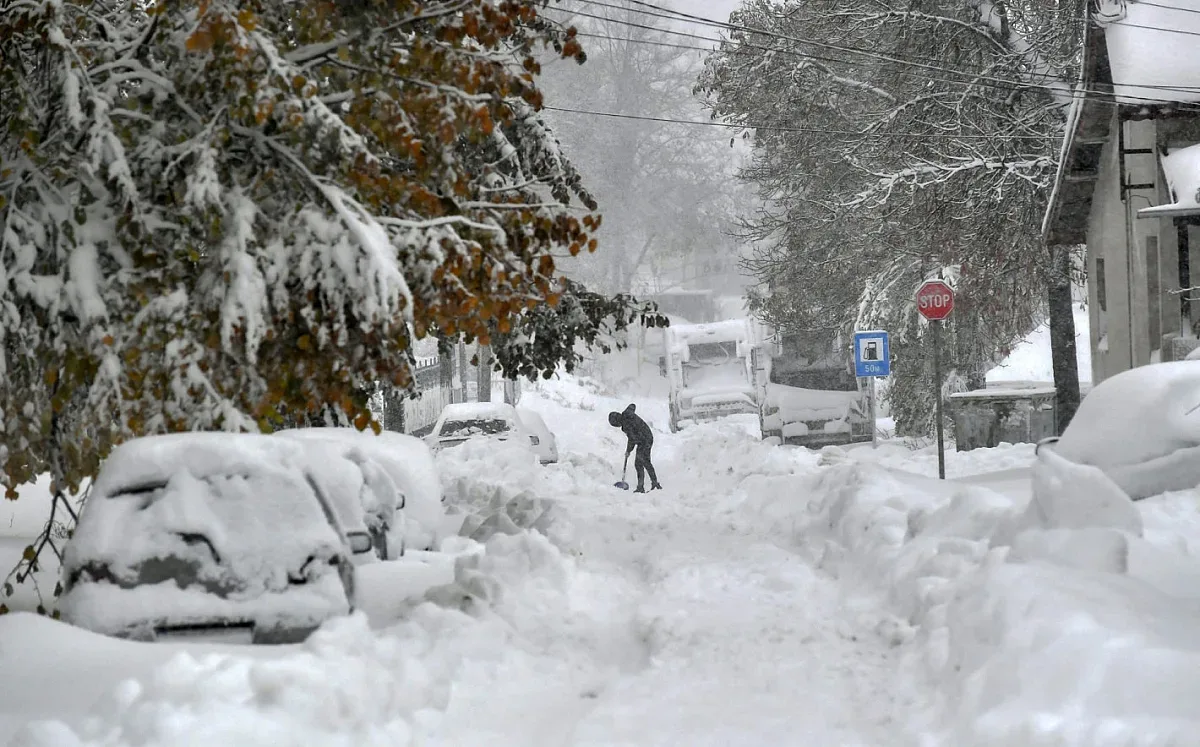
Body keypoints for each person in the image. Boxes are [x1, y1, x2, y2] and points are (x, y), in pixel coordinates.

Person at [608, 404, 661, 493]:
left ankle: (652, 484)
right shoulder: (627, 414)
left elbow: (632, 439)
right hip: (645, 437)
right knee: (640, 463)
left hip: (645, 440)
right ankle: (644, 486)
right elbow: (632, 405)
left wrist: (628, 451)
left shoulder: (626, 425)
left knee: (643, 462)